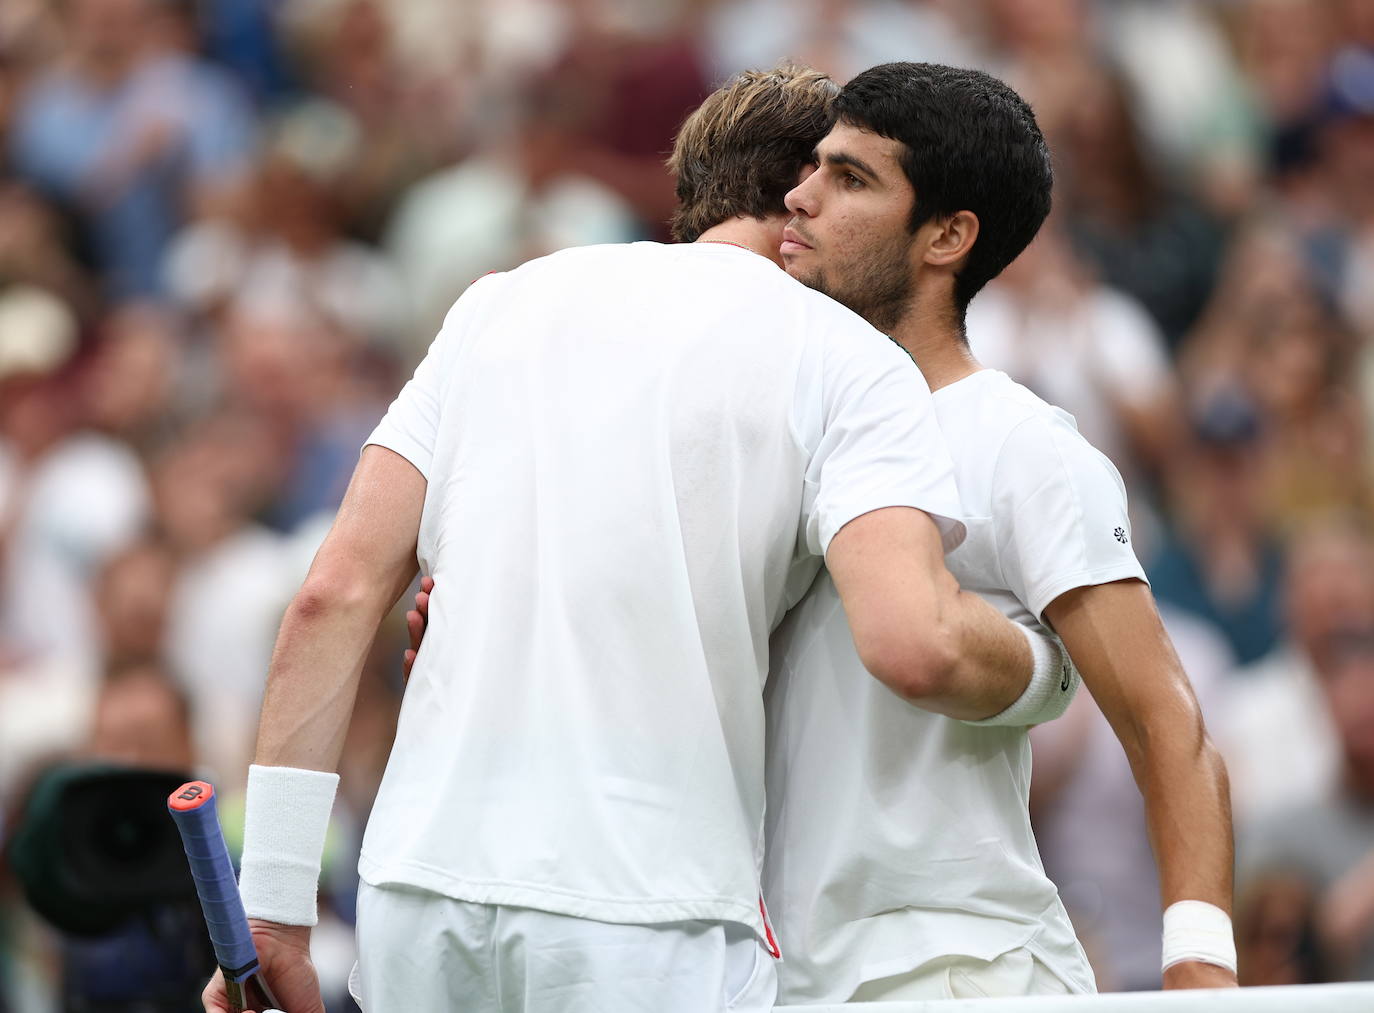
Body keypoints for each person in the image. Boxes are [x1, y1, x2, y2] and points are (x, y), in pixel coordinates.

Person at [206, 65, 1071, 1013]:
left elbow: (332, 597)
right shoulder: (848, 357)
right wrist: (1044, 667)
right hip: (652, 917)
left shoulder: (497, 301)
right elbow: (916, 640)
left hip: (419, 896)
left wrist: (277, 906)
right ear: (800, 198)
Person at [764, 62, 1236, 1000]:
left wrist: (1201, 967)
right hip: (781, 974)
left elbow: (1165, 725)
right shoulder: (767, 427)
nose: (800, 195)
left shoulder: (1022, 445)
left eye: (851, 178)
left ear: (949, 235)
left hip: (959, 971)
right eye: (814, 166)